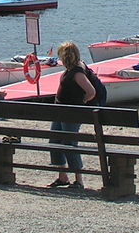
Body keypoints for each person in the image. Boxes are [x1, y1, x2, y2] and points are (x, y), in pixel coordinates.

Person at [47, 41, 95, 190]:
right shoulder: (70, 70)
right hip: (60, 112)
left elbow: (91, 92)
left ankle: (78, 180)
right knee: (54, 142)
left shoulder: (77, 72)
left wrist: (82, 102)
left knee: (70, 144)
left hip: (71, 113)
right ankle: (63, 176)